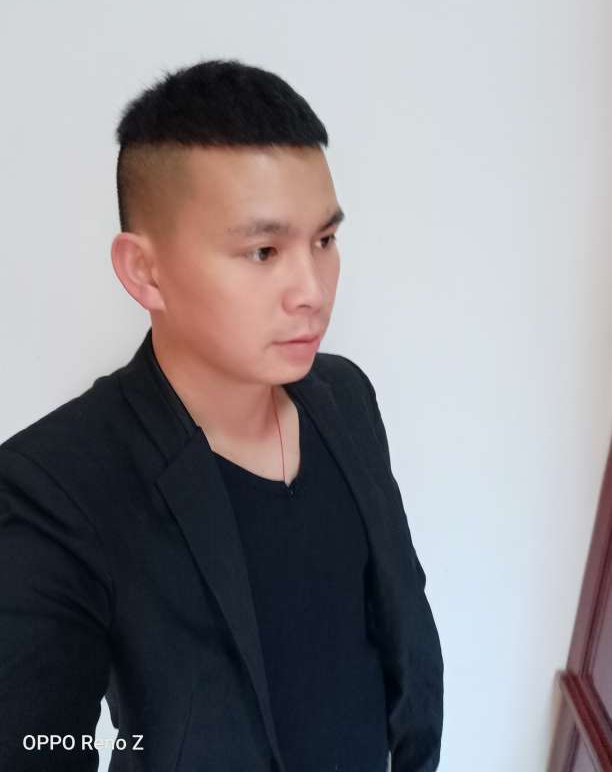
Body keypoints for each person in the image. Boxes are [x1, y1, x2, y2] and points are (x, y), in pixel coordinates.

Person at [0, 58, 444, 772]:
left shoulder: (345, 396)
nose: (311, 290)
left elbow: (396, 618)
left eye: (325, 241)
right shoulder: (56, 488)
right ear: (145, 271)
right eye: (263, 251)